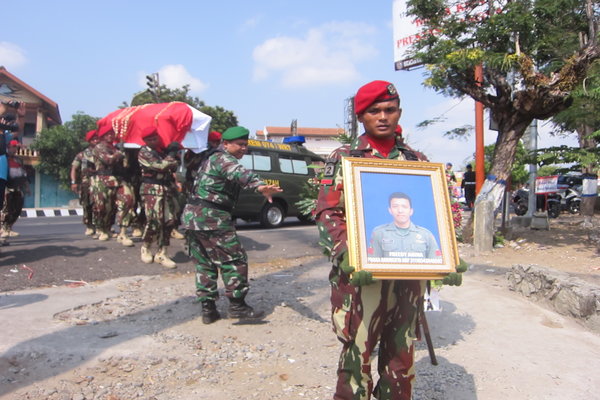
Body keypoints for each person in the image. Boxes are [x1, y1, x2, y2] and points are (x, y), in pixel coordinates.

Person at [316, 80, 429, 400]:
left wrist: (441, 253)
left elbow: (431, 212)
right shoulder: (345, 158)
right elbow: (327, 213)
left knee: (401, 355)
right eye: (374, 111)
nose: (383, 116)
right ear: (361, 117)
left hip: (407, 278)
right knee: (358, 354)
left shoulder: (417, 161)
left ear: (399, 113)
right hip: (362, 277)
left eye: (389, 110)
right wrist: (350, 253)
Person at [181, 126, 282, 324]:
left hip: (193, 217)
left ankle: (208, 309)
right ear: (226, 144)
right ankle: (237, 306)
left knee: (204, 263)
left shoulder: (209, 158)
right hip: (212, 217)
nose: (244, 148)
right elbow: (239, 173)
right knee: (234, 260)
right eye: (240, 145)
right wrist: (260, 186)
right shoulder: (223, 159)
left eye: (246, 145)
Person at [137, 127, 180, 268]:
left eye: (155, 138)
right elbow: (160, 166)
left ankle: (163, 252)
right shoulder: (143, 153)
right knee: (154, 221)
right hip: (151, 190)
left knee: (169, 221)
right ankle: (146, 247)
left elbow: (175, 166)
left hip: (166, 189)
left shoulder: (161, 151)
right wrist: (170, 156)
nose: (153, 141)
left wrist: (172, 153)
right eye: (149, 139)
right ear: (144, 141)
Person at [369, 192, 441, 260]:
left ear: (411, 211)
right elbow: (372, 263)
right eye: (395, 206)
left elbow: (436, 264)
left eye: (404, 206)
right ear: (390, 210)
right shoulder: (379, 233)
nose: (400, 210)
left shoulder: (426, 235)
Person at [91, 125, 125, 241]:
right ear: (103, 136)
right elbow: (108, 160)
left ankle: (108, 228)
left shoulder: (114, 148)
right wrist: (119, 153)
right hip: (101, 179)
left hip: (113, 179)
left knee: (111, 206)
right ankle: (100, 229)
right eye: (107, 134)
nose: (110, 136)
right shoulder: (99, 147)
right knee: (100, 206)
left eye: (112, 133)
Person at [71, 130, 99, 236]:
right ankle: (89, 226)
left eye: (97, 138)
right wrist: (73, 182)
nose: (96, 141)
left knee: (100, 205)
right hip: (86, 182)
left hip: (99, 182)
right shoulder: (82, 155)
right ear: (89, 141)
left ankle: (102, 226)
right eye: (93, 139)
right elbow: (74, 168)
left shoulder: (102, 153)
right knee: (87, 204)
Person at [0, 140, 30, 238]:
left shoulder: (18, 160)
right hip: (7, 187)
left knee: (17, 209)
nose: (14, 149)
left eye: (16, 147)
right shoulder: (3, 159)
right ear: (8, 147)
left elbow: (23, 174)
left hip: (17, 188)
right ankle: (3, 230)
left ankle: (8, 228)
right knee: (6, 209)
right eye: (13, 147)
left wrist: (27, 187)